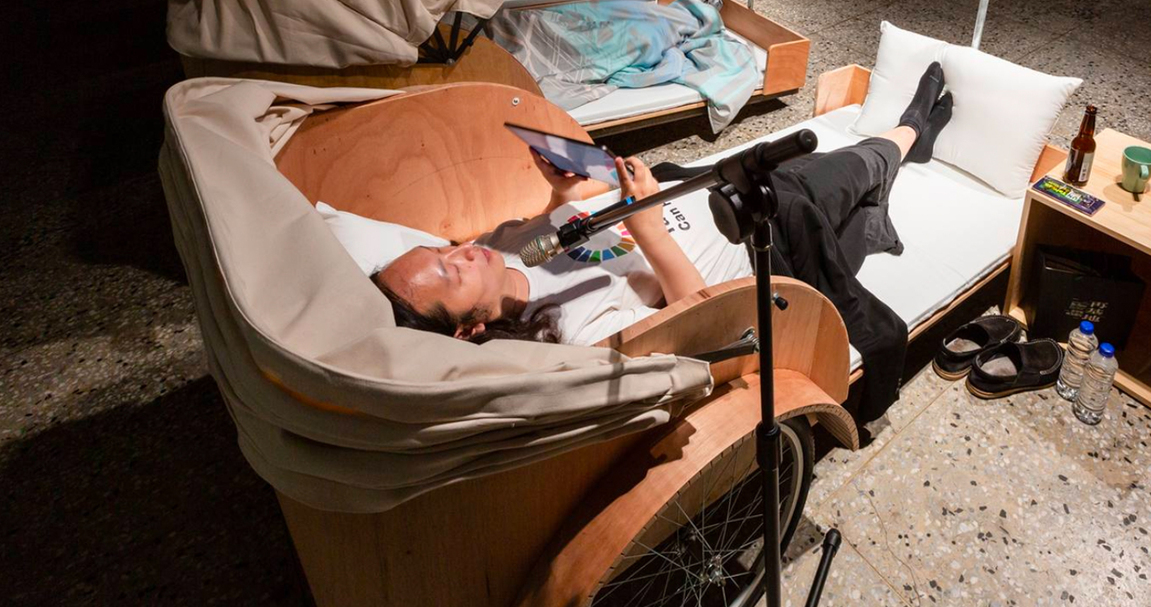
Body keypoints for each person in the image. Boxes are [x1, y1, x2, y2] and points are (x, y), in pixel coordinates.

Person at [372, 64, 958, 419]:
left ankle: (900, 148)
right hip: (760, 226)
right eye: (451, 274)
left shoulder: (501, 250)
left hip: (708, 187)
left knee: (834, 167)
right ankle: (912, 131)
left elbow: (554, 237)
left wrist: (561, 194)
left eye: (442, 248)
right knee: (849, 166)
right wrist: (646, 223)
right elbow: (698, 312)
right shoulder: (571, 329)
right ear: (469, 328)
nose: (459, 252)